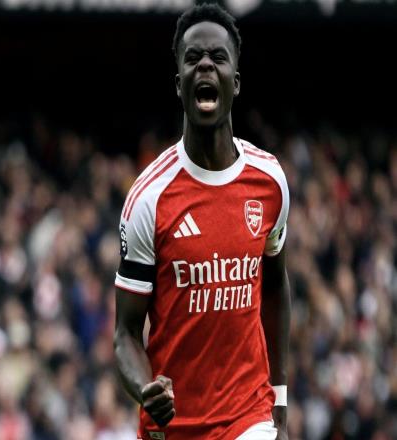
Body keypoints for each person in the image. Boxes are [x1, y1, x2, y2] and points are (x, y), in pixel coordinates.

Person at [114, 3, 290, 439]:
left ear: (236, 82)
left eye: (218, 57)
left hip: (248, 415)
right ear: (180, 85)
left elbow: (274, 286)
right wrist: (144, 389)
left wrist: (280, 402)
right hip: (174, 426)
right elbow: (126, 333)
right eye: (193, 58)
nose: (205, 65)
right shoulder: (148, 198)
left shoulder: (269, 181)